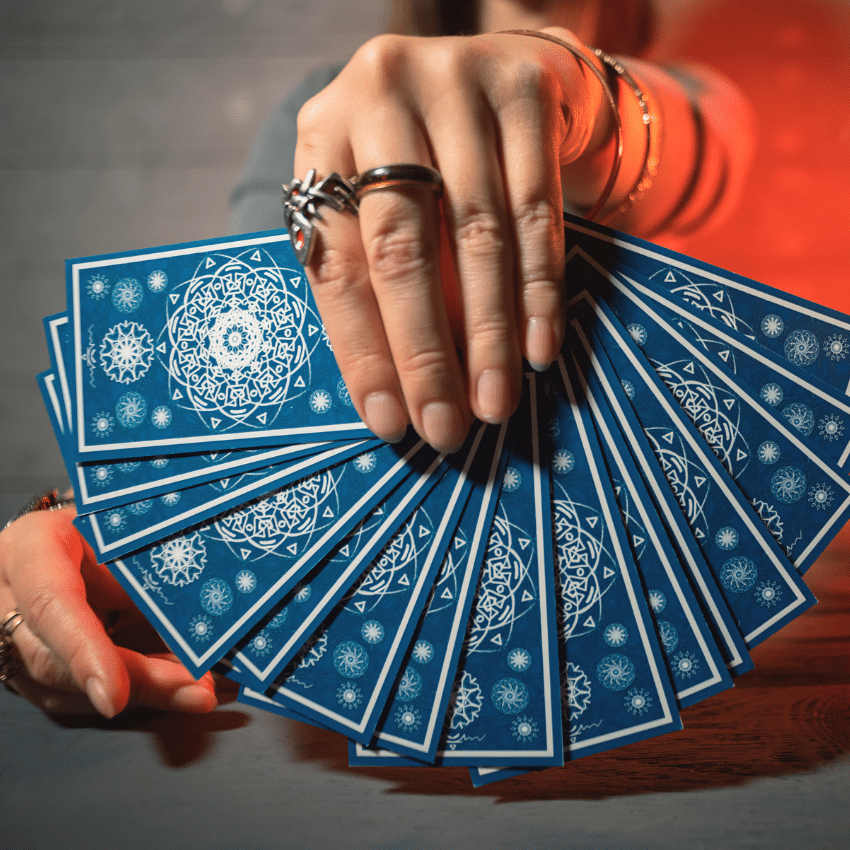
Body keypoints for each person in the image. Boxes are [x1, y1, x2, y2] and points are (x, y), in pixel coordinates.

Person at [0, 0, 754, 718]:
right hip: (386, 650)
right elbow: (255, 398)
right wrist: (99, 520)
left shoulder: (679, 102)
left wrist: (576, 92)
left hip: (627, 630)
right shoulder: (324, 110)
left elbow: (695, 140)